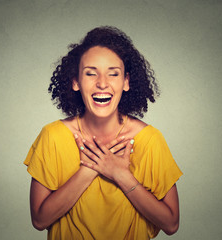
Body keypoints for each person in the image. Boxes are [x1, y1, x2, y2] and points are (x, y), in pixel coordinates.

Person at [24, 26, 183, 240]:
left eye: (113, 74)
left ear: (126, 82)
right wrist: (90, 168)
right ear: (75, 82)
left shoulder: (149, 140)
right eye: (91, 73)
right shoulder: (53, 136)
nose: (102, 83)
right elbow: (40, 220)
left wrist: (121, 175)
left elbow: (171, 223)